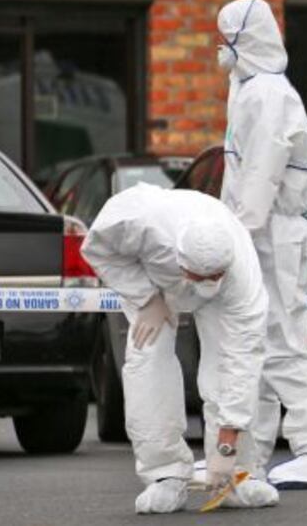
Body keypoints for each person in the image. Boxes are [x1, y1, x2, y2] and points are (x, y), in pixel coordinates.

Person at [215, 0, 307, 489]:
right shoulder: (253, 89)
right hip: (262, 229)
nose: (219, 50)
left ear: (242, 41)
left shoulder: (267, 94)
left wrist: (235, 235)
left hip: (269, 230)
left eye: (225, 40)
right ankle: (251, 451)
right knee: (259, 343)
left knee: (281, 343)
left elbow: (262, 173)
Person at [81, 184, 278, 513]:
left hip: (225, 297)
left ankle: (238, 474)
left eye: (214, 276)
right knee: (147, 362)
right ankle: (164, 475)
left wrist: (226, 444)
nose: (206, 285)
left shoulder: (242, 274)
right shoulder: (137, 217)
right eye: (199, 276)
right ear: (179, 258)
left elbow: (241, 360)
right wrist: (146, 296)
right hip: (153, 285)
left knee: (227, 367)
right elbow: (97, 251)